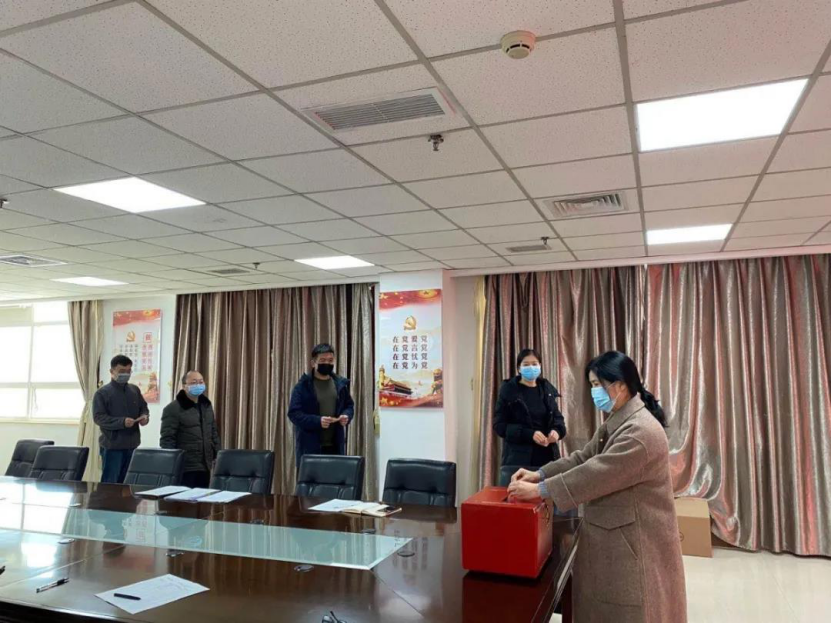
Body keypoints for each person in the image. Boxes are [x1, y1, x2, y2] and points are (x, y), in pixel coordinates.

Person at [508, 351, 686, 623]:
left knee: (632, 608)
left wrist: (541, 490)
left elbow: (596, 474)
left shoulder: (640, 432)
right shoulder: (619, 421)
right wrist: (539, 473)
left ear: (620, 385)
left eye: (597, 384)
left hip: (636, 540)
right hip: (615, 530)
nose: (594, 392)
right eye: (591, 385)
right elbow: (583, 458)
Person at [493, 348, 567, 469]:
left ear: (540, 366)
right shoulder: (509, 391)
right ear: (519, 368)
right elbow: (499, 426)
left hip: (548, 460)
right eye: (526, 365)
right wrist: (529, 434)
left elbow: (558, 420)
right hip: (517, 459)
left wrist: (557, 432)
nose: (531, 367)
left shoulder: (547, 390)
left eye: (534, 364)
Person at [287, 344, 354, 468]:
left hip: (335, 447)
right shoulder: (302, 386)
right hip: (310, 448)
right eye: (322, 360)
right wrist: (318, 421)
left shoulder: (340, 384)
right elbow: (294, 414)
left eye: (330, 360)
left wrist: (346, 415)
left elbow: (349, 405)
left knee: (335, 479)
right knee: (311, 480)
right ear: (313, 363)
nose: (327, 363)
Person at [92, 354, 149, 484]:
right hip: (112, 446)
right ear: (112, 371)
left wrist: (144, 417)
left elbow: (143, 408)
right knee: (110, 484)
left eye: (129, 371)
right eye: (122, 371)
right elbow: (98, 418)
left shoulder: (134, 390)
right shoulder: (102, 393)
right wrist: (122, 422)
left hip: (133, 444)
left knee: (128, 483)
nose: (126, 374)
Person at [160, 370, 220, 488]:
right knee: (184, 498)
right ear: (184, 386)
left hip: (205, 464)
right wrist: (172, 463)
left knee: (202, 497)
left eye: (201, 382)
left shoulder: (206, 406)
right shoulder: (173, 408)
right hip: (185, 466)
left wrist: (218, 454)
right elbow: (167, 439)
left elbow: (213, 432)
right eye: (193, 382)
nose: (198, 385)